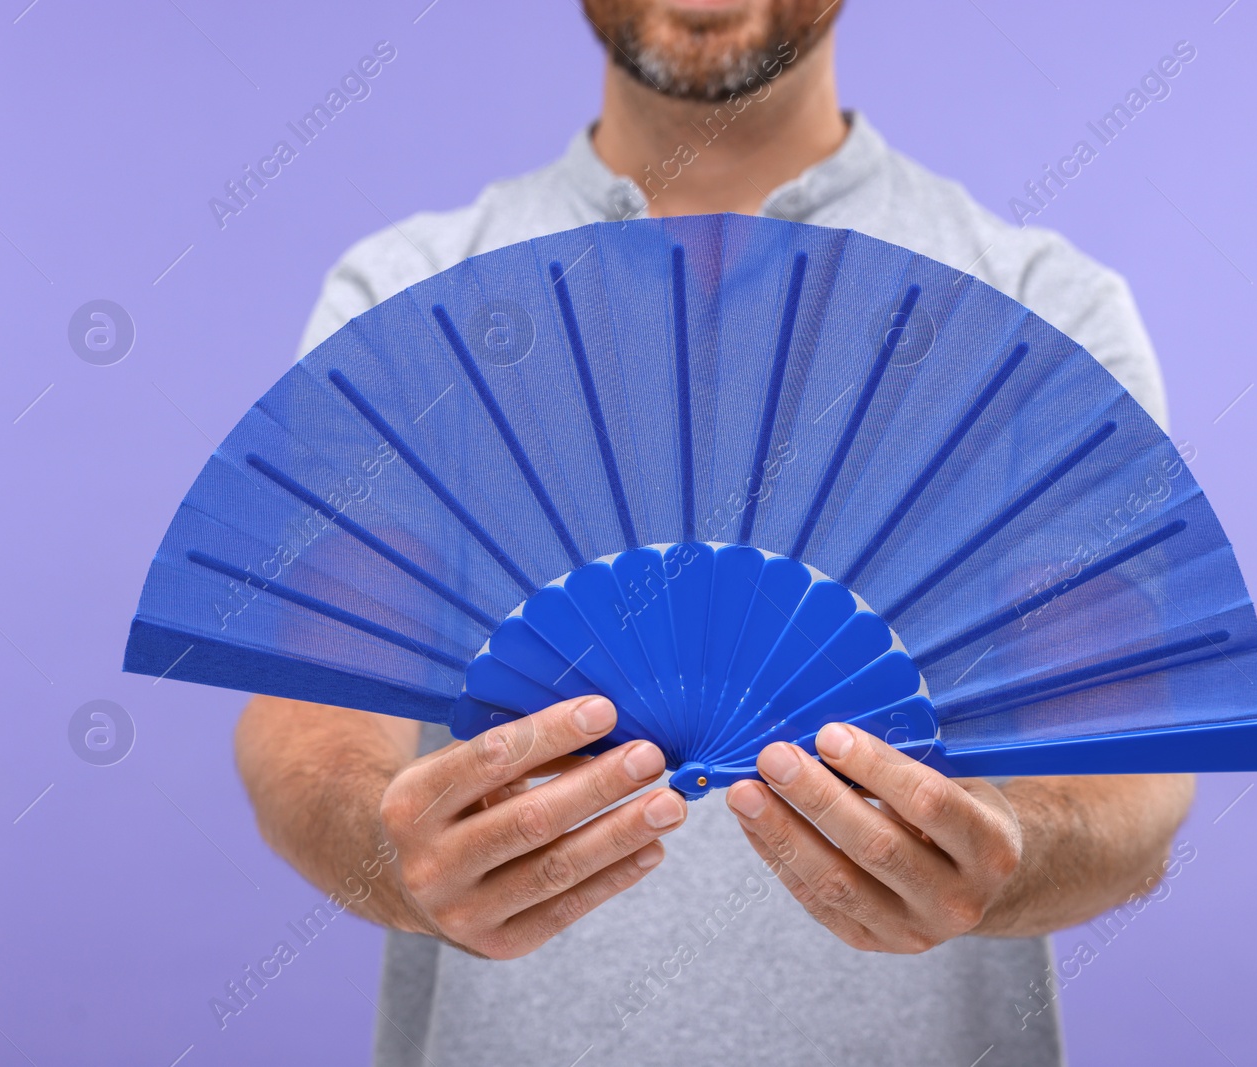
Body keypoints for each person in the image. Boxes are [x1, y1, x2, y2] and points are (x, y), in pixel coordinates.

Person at [235, 2, 1192, 1064]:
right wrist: (384, 835)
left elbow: (1126, 770)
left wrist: (1020, 854)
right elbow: (307, 721)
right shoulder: (404, 298)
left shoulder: (1040, 306)